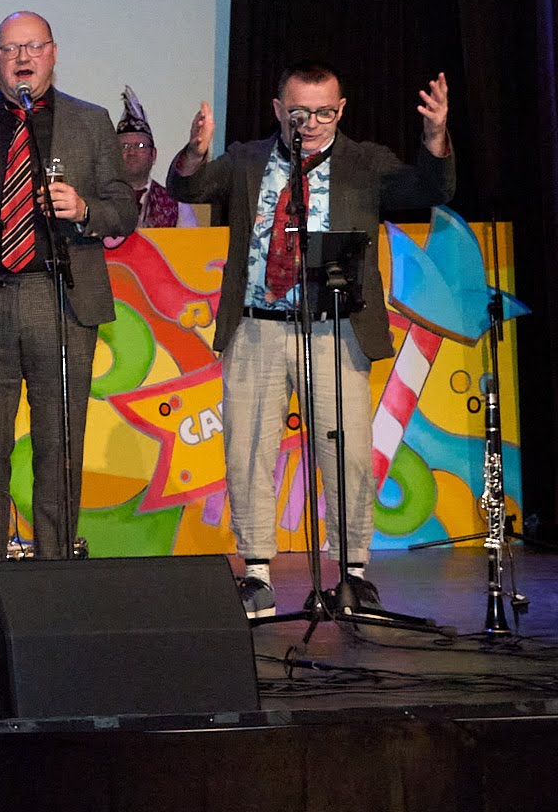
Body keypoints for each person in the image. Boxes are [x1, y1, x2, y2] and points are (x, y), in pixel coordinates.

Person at [167, 65, 453, 619]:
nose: (313, 123)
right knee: (248, 451)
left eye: (325, 112)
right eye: (300, 113)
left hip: (335, 328)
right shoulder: (248, 159)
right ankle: (256, 575)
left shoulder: (364, 162)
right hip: (256, 326)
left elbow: (431, 189)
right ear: (279, 110)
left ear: (341, 110)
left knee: (346, 452)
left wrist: (436, 135)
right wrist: (196, 151)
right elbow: (189, 187)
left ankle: (351, 576)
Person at [0, 11, 137, 561]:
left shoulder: (90, 121)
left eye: (33, 46)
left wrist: (84, 209)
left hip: (59, 296)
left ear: (53, 53)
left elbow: (123, 208)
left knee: (59, 445)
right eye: (10, 48)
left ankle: (55, 573)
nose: (22, 57)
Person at [116, 87, 197, 230]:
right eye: (124, 146)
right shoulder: (99, 201)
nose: (131, 152)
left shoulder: (177, 204)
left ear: (153, 155)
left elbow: (191, 241)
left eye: (140, 145)